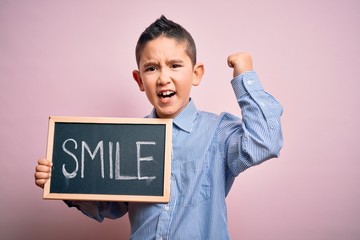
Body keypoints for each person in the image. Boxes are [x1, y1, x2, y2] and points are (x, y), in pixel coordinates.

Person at [35, 15, 283, 239]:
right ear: (139, 80)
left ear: (196, 74)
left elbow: (265, 142)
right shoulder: (127, 139)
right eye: (152, 68)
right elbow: (111, 206)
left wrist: (244, 76)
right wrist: (64, 182)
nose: (164, 78)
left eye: (175, 65)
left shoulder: (218, 133)